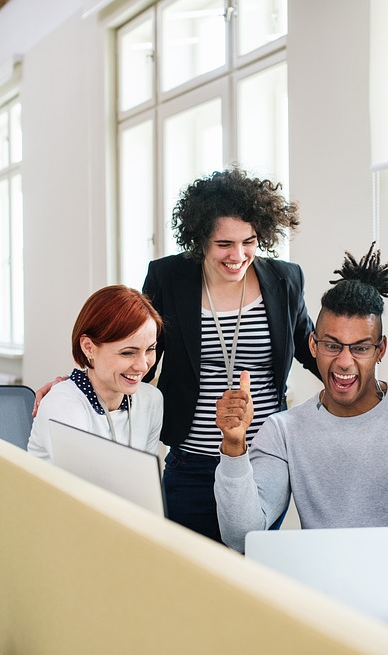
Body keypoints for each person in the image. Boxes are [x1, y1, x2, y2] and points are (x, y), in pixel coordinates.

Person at [214, 244, 388, 622]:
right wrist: (233, 447)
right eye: (331, 345)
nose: (344, 361)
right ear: (313, 345)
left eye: (360, 348)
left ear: (380, 351)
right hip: (325, 603)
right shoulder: (283, 430)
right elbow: (240, 535)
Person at [140, 168, 320, 542]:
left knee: (250, 571)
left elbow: (313, 351)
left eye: (249, 241)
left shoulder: (285, 279)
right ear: (200, 238)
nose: (238, 256)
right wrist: (82, 387)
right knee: (189, 574)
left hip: (264, 461)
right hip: (191, 462)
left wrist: (372, 389)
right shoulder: (168, 277)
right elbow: (137, 356)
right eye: (224, 244)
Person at [28, 285, 164, 460]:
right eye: (128, 352)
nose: (142, 366)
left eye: (150, 350)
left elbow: (146, 482)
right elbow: (81, 485)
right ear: (88, 347)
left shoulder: (151, 400)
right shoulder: (62, 405)